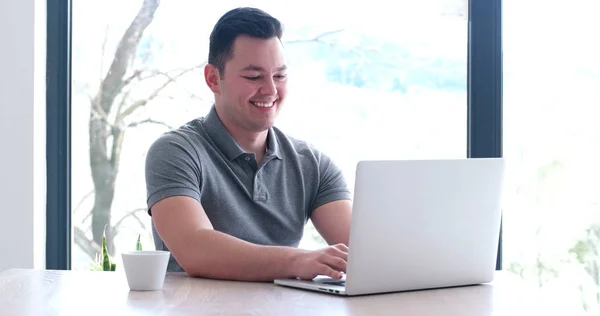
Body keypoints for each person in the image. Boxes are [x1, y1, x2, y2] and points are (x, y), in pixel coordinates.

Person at [144, 7, 352, 282]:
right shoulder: (176, 152)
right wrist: (301, 260)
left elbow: (366, 253)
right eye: (254, 77)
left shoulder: (312, 164)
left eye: (279, 76)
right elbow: (196, 250)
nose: (271, 90)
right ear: (212, 79)